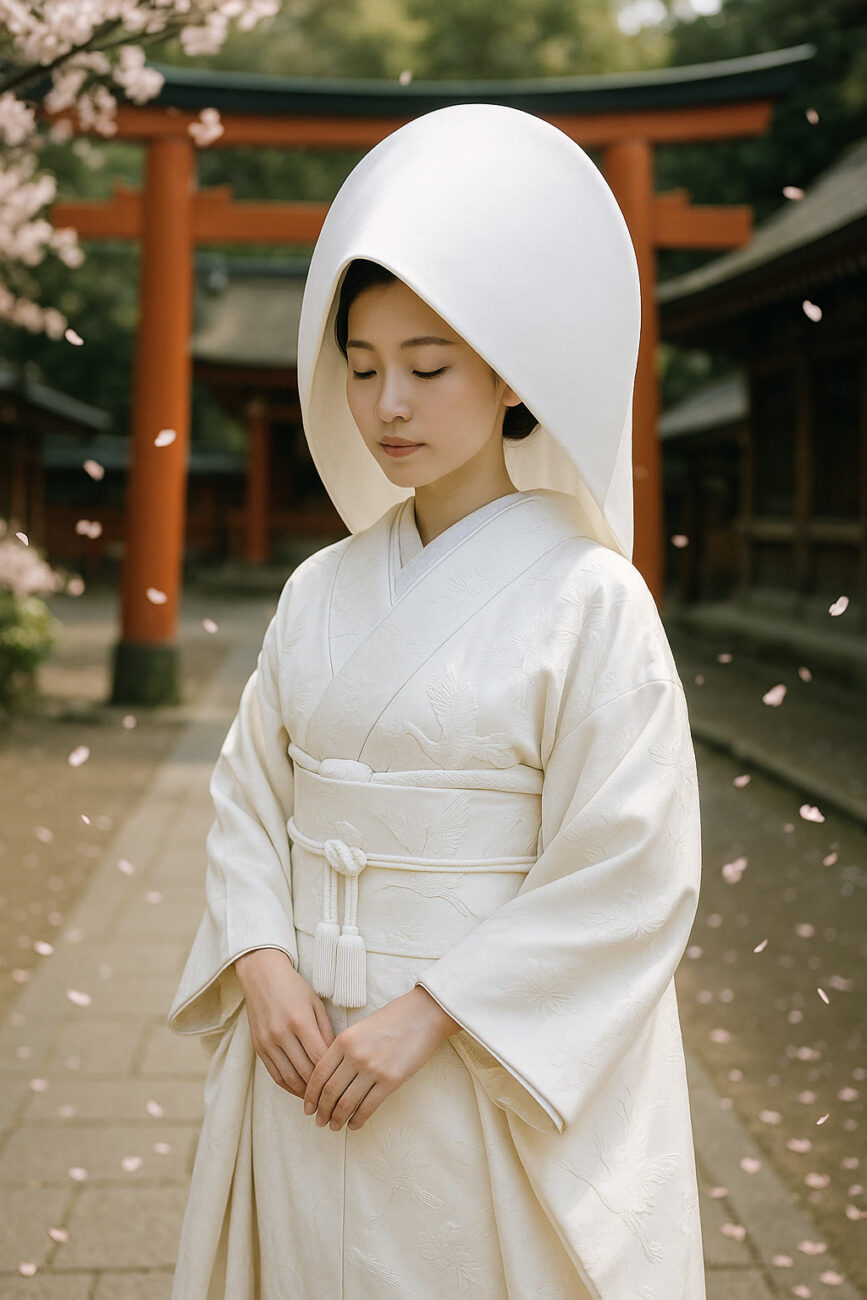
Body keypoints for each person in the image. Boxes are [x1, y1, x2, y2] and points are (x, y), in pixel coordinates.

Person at [166, 102, 706, 1299]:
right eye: (360, 369)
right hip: (306, 1050)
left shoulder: (592, 601)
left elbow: (631, 864)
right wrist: (259, 956)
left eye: (427, 366)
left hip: (469, 1068)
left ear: (511, 369)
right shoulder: (319, 590)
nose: (388, 406)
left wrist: (435, 1010)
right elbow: (252, 794)